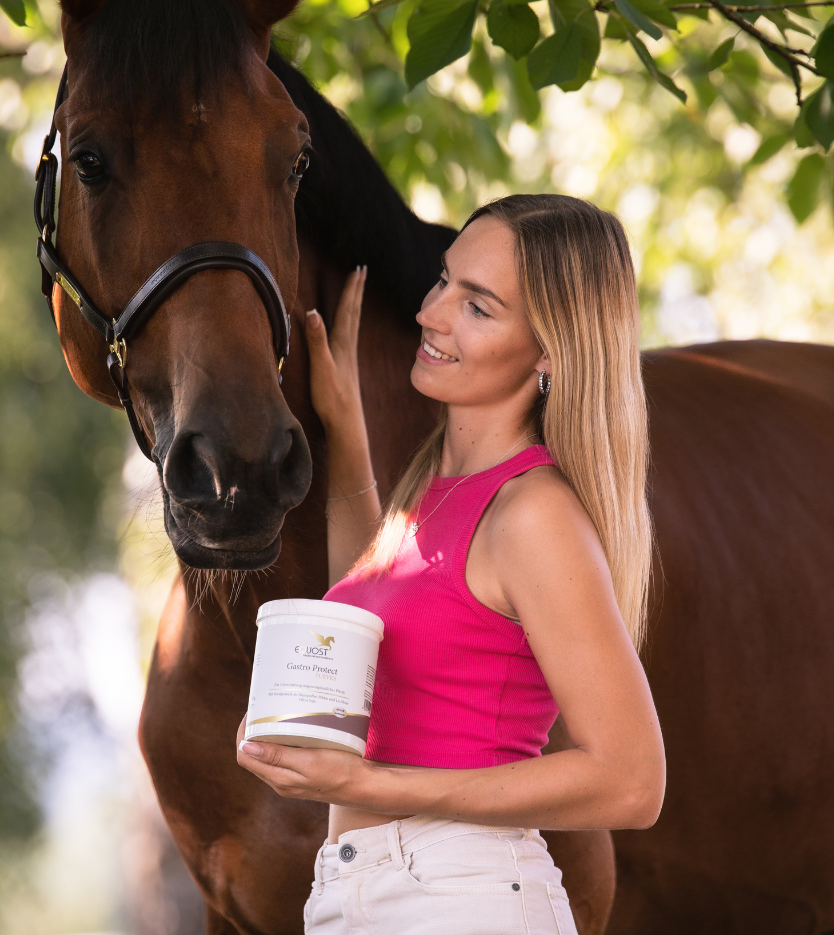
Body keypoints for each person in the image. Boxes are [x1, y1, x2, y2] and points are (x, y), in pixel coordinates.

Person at [236, 194, 666, 934]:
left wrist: (370, 781)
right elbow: (371, 621)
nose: (432, 313)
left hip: (456, 892)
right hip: (362, 890)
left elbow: (632, 781)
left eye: (479, 306)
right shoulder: (434, 496)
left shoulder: (533, 513)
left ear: (551, 351)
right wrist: (345, 431)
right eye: (443, 282)